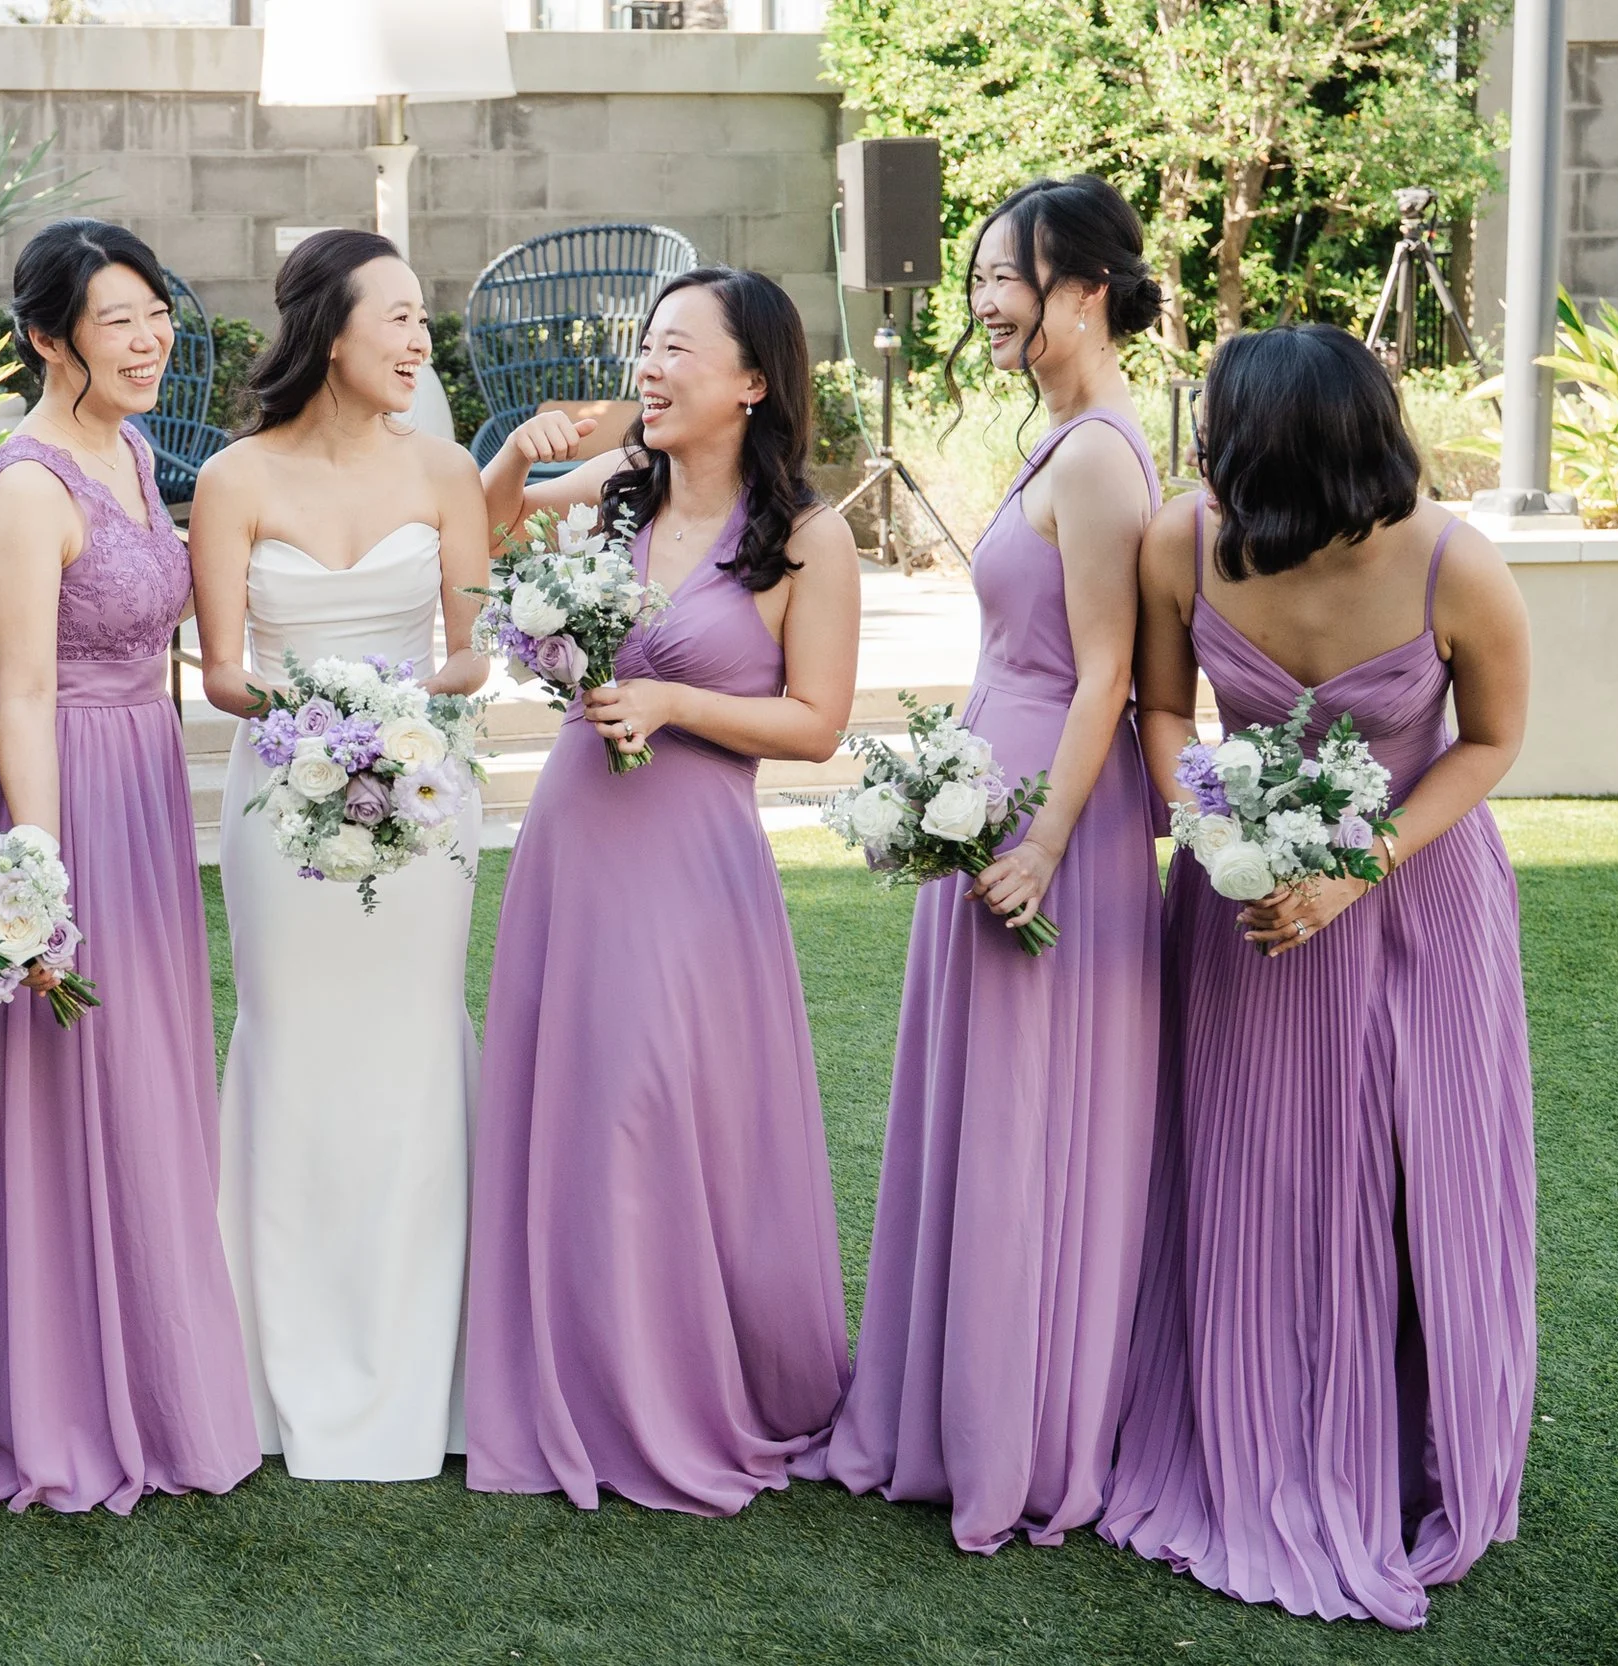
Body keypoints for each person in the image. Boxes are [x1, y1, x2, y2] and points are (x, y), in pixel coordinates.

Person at [1100, 323, 1536, 1629]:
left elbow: (1491, 741)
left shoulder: (1456, 563)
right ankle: (1247, 1412)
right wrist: (1223, 831)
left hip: (1418, 894)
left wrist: (1357, 866)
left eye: (1221, 431)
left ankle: (1416, 1437)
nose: (1202, 451)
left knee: (1419, 1161)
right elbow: (1164, 714)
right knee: (1255, 1166)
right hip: (1242, 906)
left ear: (1285, 448)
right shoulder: (1181, 541)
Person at [462, 267, 861, 1516]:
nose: (649, 364)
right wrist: (510, 462)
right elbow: (481, 540)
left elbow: (817, 723)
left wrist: (676, 699)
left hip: (693, 858)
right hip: (578, 837)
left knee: (659, 1106)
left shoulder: (808, 538)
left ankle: (680, 1381)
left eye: (678, 346)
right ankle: (580, 1377)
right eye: (647, 342)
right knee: (582, 1099)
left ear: (751, 381)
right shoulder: (613, 491)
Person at [820, 175, 1169, 1551]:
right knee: (985, 1107)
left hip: (1047, 817)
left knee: (1029, 1117)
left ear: (1083, 290)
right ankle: (952, 1402)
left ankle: (1012, 1430)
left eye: (1003, 276)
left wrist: (1043, 840)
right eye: (976, 277)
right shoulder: (1061, 434)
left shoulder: (1097, 456)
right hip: (997, 785)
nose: (981, 301)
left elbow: (1107, 678)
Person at [0, 218, 260, 1512]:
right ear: (47, 338)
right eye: (116, 321)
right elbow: (19, 691)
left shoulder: (130, 449)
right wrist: (37, 881)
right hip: (69, 792)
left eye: (157, 314)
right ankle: (70, 1395)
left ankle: (163, 1371)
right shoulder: (26, 487)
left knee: (149, 1081)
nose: (149, 342)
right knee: (79, 1088)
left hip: (145, 781)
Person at [190, 229, 492, 1482]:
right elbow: (221, 674)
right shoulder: (233, 478)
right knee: (296, 1044)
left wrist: (392, 719)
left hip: (421, 793)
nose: (420, 340)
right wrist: (322, 723)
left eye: (423, 318)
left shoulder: (447, 469)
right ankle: (272, 1370)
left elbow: (470, 652)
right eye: (399, 317)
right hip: (283, 797)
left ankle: (429, 1373)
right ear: (329, 333)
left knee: (412, 1041)